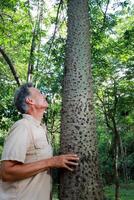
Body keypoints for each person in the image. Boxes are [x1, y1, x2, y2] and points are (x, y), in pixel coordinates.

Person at [0, 83, 79, 200]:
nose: (44, 95)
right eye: (39, 93)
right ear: (30, 100)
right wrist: (52, 162)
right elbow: (6, 172)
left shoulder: (40, 129)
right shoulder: (22, 127)